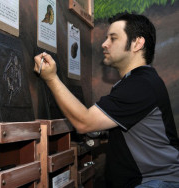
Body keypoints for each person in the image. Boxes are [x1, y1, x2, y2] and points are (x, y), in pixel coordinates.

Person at [34, 13, 179, 188]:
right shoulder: (137, 82)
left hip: (155, 183)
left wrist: (51, 78)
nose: (104, 43)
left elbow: (84, 122)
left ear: (137, 43)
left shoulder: (140, 84)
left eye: (113, 38)